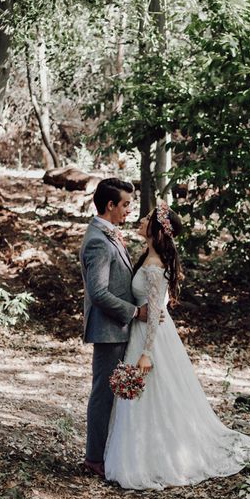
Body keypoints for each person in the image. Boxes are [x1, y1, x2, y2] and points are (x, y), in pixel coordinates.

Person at [104, 203, 250, 489]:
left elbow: (153, 314)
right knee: (148, 398)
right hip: (141, 332)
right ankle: (145, 451)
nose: (141, 218)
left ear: (158, 229)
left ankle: (160, 457)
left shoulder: (154, 266)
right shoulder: (147, 258)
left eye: (148, 218)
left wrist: (147, 353)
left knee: (155, 394)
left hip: (152, 338)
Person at [80, 178, 153, 478]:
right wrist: (136, 311)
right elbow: (98, 293)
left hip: (119, 329)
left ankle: (110, 452)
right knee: (103, 394)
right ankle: (94, 459)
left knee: (113, 393)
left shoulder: (108, 234)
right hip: (109, 329)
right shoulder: (97, 240)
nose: (129, 210)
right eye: (125, 204)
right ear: (110, 205)